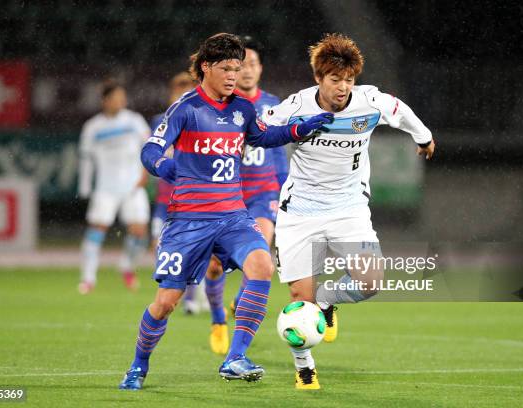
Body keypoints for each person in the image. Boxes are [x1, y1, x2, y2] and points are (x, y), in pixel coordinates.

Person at [118, 33, 333, 390]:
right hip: (189, 219)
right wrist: (161, 165)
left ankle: (235, 357)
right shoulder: (185, 109)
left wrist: (299, 129)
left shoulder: (242, 109)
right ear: (206, 67)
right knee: (166, 302)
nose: (235, 75)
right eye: (227, 68)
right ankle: (139, 365)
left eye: (238, 68)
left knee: (262, 264)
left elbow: (265, 137)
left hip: (233, 215)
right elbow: (151, 148)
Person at [264, 33, 435, 389]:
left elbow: (400, 111)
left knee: (371, 282)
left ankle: (329, 299)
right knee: (300, 300)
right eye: (334, 79)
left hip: (349, 208)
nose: (343, 88)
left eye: (348, 80)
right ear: (318, 78)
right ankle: (304, 365)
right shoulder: (296, 106)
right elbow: (262, 129)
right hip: (300, 212)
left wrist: (424, 137)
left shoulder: (369, 101)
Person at [204, 36, 289, 356]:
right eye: (242, 66)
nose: (248, 71)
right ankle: (217, 320)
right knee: (213, 267)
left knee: (261, 249)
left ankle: (243, 301)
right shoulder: (222, 104)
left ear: (260, 69)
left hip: (263, 193)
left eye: (254, 64)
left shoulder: (273, 103)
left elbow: (279, 152)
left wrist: (284, 191)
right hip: (228, 195)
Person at [77, 80, 151, 294]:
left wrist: (145, 174)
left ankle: (127, 265)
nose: (121, 101)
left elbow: (149, 148)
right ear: (105, 101)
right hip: (105, 188)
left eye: (123, 97)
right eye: (116, 97)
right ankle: (88, 278)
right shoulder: (93, 127)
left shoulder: (134, 121)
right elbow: (86, 159)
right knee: (96, 230)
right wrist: (85, 186)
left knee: (139, 233)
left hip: (132, 186)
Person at [149, 72, 209, 315]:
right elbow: (152, 154)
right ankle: (177, 295)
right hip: (164, 200)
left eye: (187, 89)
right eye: (178, 89)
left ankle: (192, 299)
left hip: (190, 201)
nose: (182, 93)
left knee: (194, 250)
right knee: (160, 246)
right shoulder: (159, 121)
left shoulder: (201, 119)